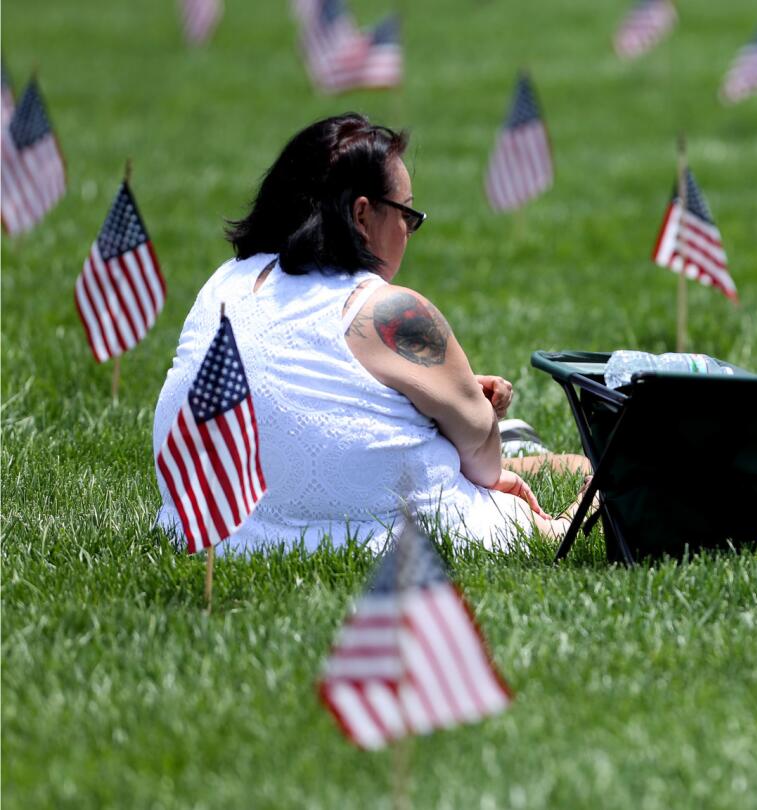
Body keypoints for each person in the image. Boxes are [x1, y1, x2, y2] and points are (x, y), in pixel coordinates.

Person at [152, 113, 587, 554]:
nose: (409, 232)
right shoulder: (391, 312)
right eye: (408, 215)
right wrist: (478, 424)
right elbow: (484, 460)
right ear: (362, 214)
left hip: (206, 526)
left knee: (564, 464)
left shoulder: (223, 283)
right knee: (606, 501)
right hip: (369, 531)